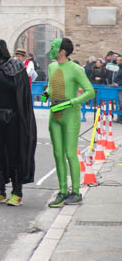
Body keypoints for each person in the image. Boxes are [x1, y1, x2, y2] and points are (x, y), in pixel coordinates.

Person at [0, 37, 38, 206]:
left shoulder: (16, 67)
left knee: (15, 154)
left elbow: (23, 96)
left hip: (13, 118)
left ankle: (17, 191)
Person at [45, 38, 95, 207]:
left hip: (70, 115)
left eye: (54, 47)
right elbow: (52, 85)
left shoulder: (75, 69)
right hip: (55, 115)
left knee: (70, 153)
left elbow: (90, 92)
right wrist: (46, 92)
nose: (51, 49)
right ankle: (62, 191)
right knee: (58, 154)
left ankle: (76, 191)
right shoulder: (52, 67)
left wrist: (72, 102)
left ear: (63, 51)